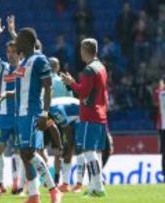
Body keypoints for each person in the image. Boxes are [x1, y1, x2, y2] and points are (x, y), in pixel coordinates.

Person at [15, 27, 62, 203]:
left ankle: (53, 189)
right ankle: (34, 195)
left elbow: (47, 88)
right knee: (24, 154)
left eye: (18, 39)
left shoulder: (40, 60)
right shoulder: (23, 62)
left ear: (27, 42)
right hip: (20, 113)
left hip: (32, 112)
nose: (16, 42)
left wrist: (44, 114)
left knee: (29, 152)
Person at [61, 38, 108, 197]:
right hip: (100, 114)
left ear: (85, 49)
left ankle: (99, 186)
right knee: (97, 153)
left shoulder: (89, 70)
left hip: (89, 115)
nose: (79, 52)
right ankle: (95, 186)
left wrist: (71, 82)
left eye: (81, 49)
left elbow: (82, 92)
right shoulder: (101, 67)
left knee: (88, 151)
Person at [0, 17, 24, 196]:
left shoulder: (26, 66)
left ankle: (17, 183)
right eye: (8, 51)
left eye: (13, 51)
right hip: (4, 116)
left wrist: (13, 32)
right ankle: (0, 183)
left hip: (21, 114)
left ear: (20, 53)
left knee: (19, 150)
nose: (10, 54)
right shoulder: (3, 68)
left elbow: (32, 50)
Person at [153, 76, 165, 181]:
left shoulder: (159, 93)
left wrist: (161, 85)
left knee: (164, 153)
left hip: (162, 127)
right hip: (162, 127)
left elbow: (155, 101)